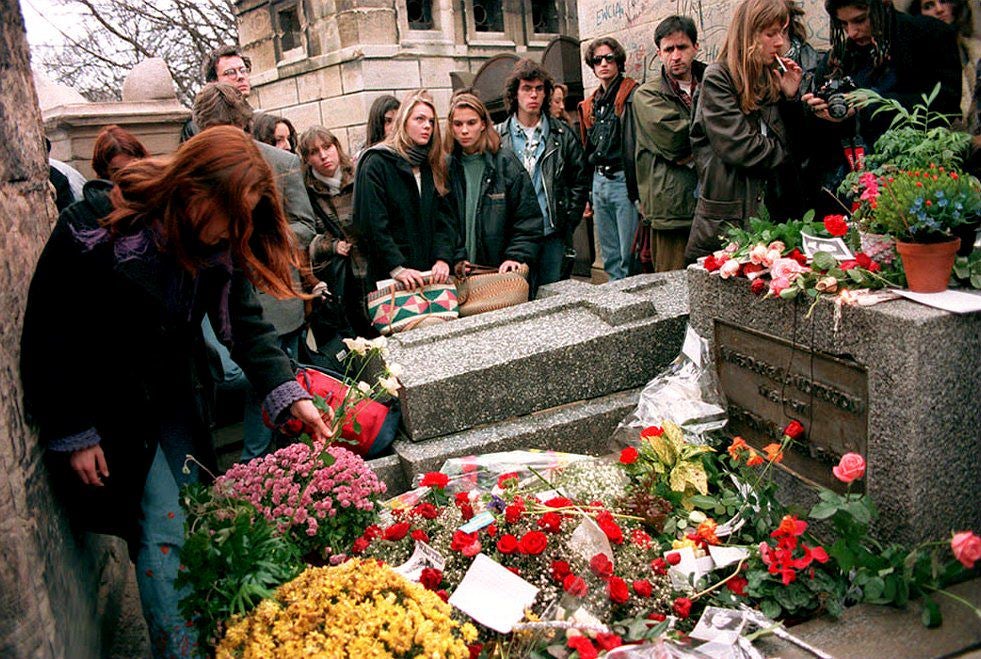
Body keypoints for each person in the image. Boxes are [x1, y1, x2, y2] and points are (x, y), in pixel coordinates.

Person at [20, 127, 331, 657]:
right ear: (194, 188)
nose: (234, 231)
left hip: (175, 405)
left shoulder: (214, 246)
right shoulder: (95, 230)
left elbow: (245, 327)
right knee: (163, 526)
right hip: (113, 413)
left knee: (198, 513)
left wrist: (287, 391)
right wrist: (74, 431)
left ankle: (206, 634)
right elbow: (50, 334)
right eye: (230, 214)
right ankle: (178, 649)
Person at [192, 82, 319, 461]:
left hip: (276, 302)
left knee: (288, 401)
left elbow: (303, 225)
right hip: (224, 311)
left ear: (246, 128)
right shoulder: (192, 176)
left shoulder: (280, 164)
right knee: (252, 405)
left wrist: (258, 245)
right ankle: (254, 471)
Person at [801, 0, 961, 202]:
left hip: (916, 183)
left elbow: (946, 104)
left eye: (859, 20)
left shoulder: (929, 35)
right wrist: (819, 112)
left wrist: (868, 104)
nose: (852, 32)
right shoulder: (840, 57)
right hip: (850, 187)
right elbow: (818, 143)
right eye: (843, 24)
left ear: (882, 7)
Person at [684, 0, 804, 260]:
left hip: (771, 215)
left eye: (782, 33)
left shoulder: (771, 76)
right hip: (729, 220)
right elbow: (740, 147)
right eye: (770, 34)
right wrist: (787, 152)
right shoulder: (719, 77)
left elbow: (795, 140)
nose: (780, 43)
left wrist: (791, 98)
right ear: (748, 34)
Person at [494, 60, 587, 288]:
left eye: (539, 88)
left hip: (551, 233)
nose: (533, 95)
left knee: (553, 298)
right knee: (514, 299)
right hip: (511, 237)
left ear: (546, 93)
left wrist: (567, 220)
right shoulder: (497, 137)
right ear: (515, 93)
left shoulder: (562, 134)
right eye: (526, 88)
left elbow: (579, 180)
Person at [352, 89, 458, 289]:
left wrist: (443, 258)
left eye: (431, 121)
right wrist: (396, 267)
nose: (427, 126)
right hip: (391, 279)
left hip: (432, 276)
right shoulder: (376, 162)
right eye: (419, 119)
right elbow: (371, 223)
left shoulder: (432, 164)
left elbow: (444, 220)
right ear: (404, 121)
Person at [629, 15, 707, 272]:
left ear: (695, 47)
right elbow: (676, 142)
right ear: (659, 54)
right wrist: (719, 136)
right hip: (672, 210)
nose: (676, 56)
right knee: (673, 289)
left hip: (716, 204)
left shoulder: (715, 82)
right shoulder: (647, 95)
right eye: (669, 49)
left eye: (682, 47)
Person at [445, 92, 543, 279]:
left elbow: (528, 218)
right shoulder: (447, 168)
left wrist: (515, 255)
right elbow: (443, 223)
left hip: (497, 272)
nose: (464, 130)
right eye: (458, 124)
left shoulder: (505, 163)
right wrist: (454, 257)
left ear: (483, 124)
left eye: (471, 123)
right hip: (458, 272)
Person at [298, 126, 373, 338]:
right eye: (314, 152)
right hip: (338, 277)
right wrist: (330, 245)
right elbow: (303, 236)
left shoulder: (359, 176)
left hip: (370, 270)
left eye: (327, 147)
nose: (323, 155)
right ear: (307, 159)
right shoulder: (307, 191)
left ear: (336, 147)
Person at [577, 37, 640, 280]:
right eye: (597, 60)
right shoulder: (592, 103)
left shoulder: (631, 94)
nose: (603, 64)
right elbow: (587, 147)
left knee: (629, 251)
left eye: (609, 58)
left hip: (624, 179)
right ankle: (616, 295)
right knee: (609, 253)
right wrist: (587, 194)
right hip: (599, 181)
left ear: (618, 61)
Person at [907, 0, 977, 130]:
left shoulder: (976, 50)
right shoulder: (913, 59)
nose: (939, 10)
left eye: (943, 1)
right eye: (929, 6)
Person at [181, 44, 254, 142]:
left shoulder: (252, 115)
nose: (240, 76)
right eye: (230, 72)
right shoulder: (202, 122)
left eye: (243, 70)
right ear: (214, 81)